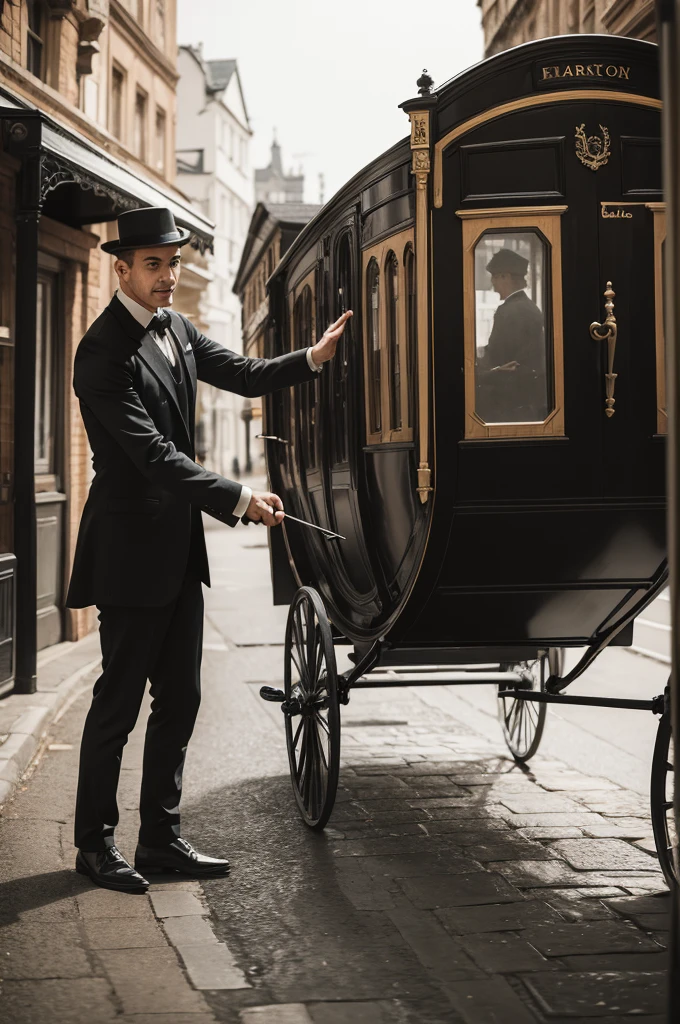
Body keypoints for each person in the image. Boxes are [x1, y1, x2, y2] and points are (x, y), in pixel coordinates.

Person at [66, 207, 352, 894]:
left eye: (174, 263)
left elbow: (246, 373)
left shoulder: (178, 329)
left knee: (183, 699)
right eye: (155, 265)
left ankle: (160, 839)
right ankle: (94, 844)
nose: (169, 276)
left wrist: (311, 359)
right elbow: (151, 455)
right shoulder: (101, 351)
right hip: (130, 551)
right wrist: (236, 497)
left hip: (175, 552)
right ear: (123, 268)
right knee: (119, 702)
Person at [475, 247, 548, 423]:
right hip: (528, 398)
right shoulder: (530, 307)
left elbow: (497, 356)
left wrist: (475, 366)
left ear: (505, 277)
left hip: (509, 402)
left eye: (494, 277)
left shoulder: (508, 311)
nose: (493, 284)